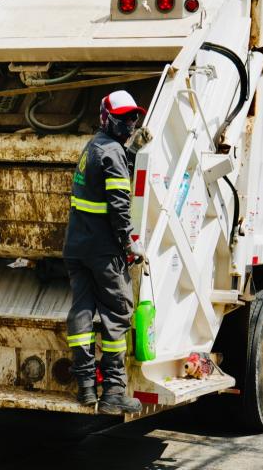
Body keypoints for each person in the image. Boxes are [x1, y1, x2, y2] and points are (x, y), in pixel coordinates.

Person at [63, 90, 146, 415]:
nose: (129, 122)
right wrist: (129, 244)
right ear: (105, 118)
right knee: (116, 314)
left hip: (77, 247)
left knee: (82, 311)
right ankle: (113, 392)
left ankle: (85, 387)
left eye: (133, 117)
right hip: (103, 252)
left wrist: (133, 151)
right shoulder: (112, 153)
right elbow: (119, 206)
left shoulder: (93, 146)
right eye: (123, 117)